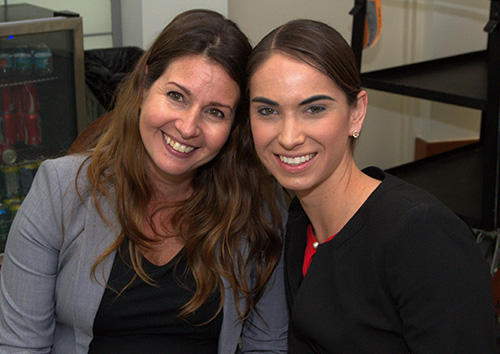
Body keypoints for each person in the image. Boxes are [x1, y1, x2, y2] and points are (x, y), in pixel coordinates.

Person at [0, 9, 288, 354]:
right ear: (144, 86)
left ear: (234, 126)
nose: (187, 127)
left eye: (215, 112)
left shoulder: (257, 208)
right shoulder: (60, 191)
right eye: (176, 96)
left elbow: (268, 345)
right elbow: (20, 346)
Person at [247, 19, 500, 353]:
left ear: (357, 113)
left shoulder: (419, 233)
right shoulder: (298, 220)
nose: (289, 136)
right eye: (268, 111)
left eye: (315, 109)